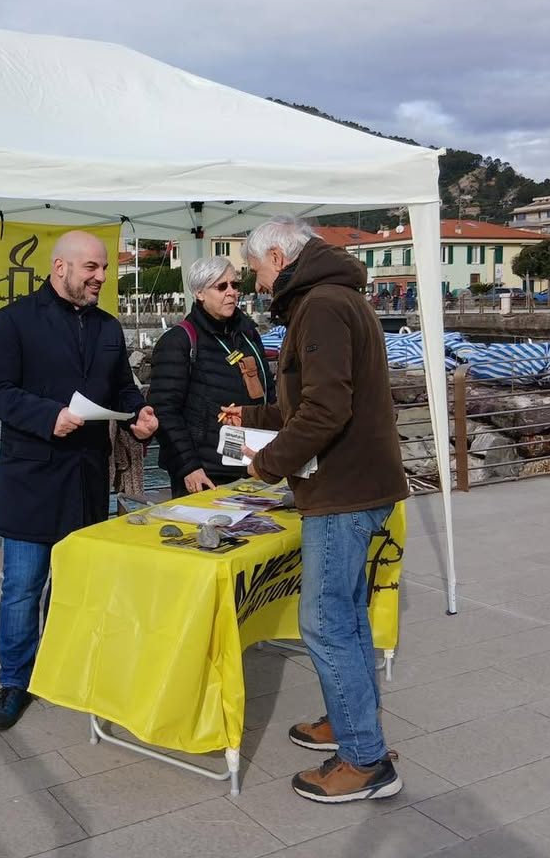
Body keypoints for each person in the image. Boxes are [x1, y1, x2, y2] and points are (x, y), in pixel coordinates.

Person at [221, 217, 408, 803]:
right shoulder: (336, 297)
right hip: (359, 484)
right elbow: (314, 400)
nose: (255, 283)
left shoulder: (321, 305)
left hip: (342, 491)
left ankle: (364, 759)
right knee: (346, 616)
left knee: (326, 621)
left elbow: (326, 410)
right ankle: (349, 718)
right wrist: (253, 417)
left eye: (255, 269)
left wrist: (267, 463)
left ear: (278, 257)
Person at [0, 230, 158, 730]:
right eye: (92, 268)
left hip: (87, 478)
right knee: (22, 589)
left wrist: (139, 414)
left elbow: (122, 388)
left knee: (76, 584)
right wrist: (46, 416)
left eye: (104, 268)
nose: (101, 277)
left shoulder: (107, 326)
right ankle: (14, 683)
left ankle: (63, 666)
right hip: (31, 478)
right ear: (61, 268)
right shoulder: (13, 320)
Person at [149, 256, 275, 496]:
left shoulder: (248, 333)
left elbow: (270, 391)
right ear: (199, 293)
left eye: (235, 285)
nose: (231, 292)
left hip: (254, 462)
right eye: (221, 286)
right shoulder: (178, 341)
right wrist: (189, 467)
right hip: (206, 472)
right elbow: (164, 410)